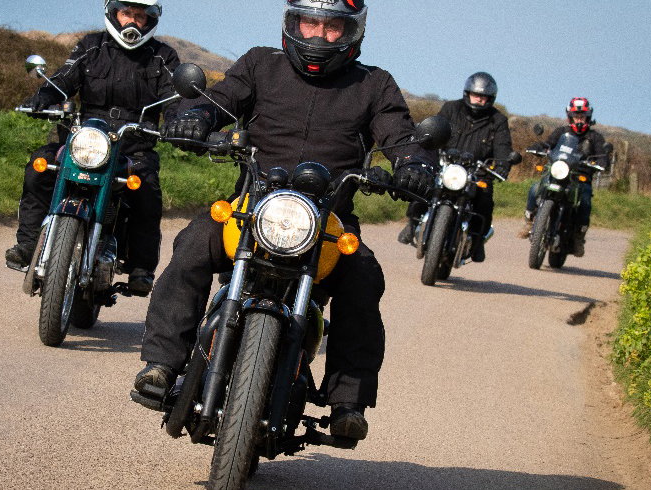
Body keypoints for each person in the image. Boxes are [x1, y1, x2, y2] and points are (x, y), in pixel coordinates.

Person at [133, 0, 436, 441]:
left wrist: (416, 164)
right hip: (253, 207)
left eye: (332, 27)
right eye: (309, 22)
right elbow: (219, 100)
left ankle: (347, 401)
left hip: (328, 222)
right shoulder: (260, 63)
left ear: (353, 32)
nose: (318, 35)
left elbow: (402, 135)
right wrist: (193, 117)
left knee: (364, 276)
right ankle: (161, 363)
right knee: (194, 243)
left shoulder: (374, 84)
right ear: (292, 23)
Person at [4, 0, 179, 296]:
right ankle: (29, 244)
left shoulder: (163, 56)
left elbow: (175, 97)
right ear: (114, 13)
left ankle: (141, 268)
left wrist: (179, 121)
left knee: (146, 190)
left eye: (140, 15)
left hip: (132, 146)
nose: (133, 22)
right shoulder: (91, 46)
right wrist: (44, 95)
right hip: (83, 140)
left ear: (149, 20)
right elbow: (62, 79)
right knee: (40, 167)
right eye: (127, 13)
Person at [396, 72, 514, 262]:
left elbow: (503, 148)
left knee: (485, 199)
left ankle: (477, 240)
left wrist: (502, 165)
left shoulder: (498, 120)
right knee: (424, 183)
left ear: (490, 99)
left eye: (483, 97)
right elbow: (436, 129)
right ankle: (411, 223)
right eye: (476, 95)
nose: (479, 100)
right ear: (468, 93)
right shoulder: (451, 108)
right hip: (446, 163)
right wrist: (427, 144)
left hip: (477, 171)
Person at [518, 97, 609, 257]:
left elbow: (602, 155)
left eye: (582, 116)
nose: (579, 119)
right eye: (576, 115)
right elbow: (548, 144)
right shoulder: (561, 132)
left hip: (579, 178)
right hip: (557, 173)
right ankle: (530, 220)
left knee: (585, 201)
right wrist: (539, 147)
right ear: (570, 116)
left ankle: (579, 237)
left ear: (588, 117)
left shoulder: (595, 137)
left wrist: (601, 162)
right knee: (534, 189)